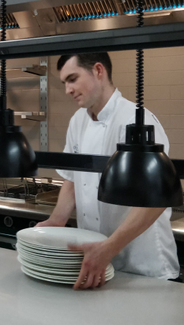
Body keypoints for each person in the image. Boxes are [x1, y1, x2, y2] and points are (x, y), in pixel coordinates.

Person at [37, 52, 181, 288]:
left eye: (72, 79)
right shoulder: (78, 121)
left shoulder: (138, 121)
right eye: (64, 83)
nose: (68, 90)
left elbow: (156, 201)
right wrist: (56, 220)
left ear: (98, 71)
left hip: (143, 267)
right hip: (96, 261)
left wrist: (110, 247)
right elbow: (73, 178)